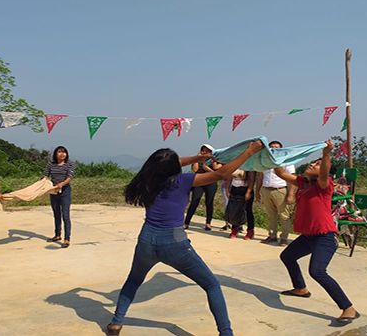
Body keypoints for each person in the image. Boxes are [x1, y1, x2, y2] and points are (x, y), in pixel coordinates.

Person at [106, 140, 264, 336]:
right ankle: (226, 333)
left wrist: (199, 158)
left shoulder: (147, 179)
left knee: (133, 281)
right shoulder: (183, 181)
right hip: (174, 243)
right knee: (211, 284)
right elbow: (222, 174)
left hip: (146, 239)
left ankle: (116, 323)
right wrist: (249, 151)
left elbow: (167, 164)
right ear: (173, 167)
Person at [273, 140, 360, 324]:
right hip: (309, 236)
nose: (312, 164)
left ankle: (348, 308)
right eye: (313, 162)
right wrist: (274, 155)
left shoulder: (324, 184)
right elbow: (279, 172)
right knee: (287, 256)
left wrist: (327, 153)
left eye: (316, 164)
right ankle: (300, 289)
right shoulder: (302, 182)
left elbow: (324, 171)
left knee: (317, 271)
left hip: (325, 237)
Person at [255, 140, 297, 246]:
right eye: (272, 147)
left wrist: (291, 194)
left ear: (281, 149)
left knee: (284, 215)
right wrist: (257, 191)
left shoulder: (286, 160)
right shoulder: (264, 161)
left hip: (280, 190)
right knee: (270, 215)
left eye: (276, 147)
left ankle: (284, 238)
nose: (274, 149)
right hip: (266, 190)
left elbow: (292, 178)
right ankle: (272, 236)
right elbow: (260, 177)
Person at [43, 146, 75, 248]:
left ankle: (67, 239)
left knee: (65, 215)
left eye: (64, 152)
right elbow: (45, 175)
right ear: (55, 154)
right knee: (56, 213)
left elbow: (69, 178)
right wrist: (41, 184)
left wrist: (61, 184)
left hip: (65, 191)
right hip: (53, 191)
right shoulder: (51, 164)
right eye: (59, 152)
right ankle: (57, 235)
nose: (62, 154)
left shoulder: (70, 164)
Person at [184, 144, 222, 231]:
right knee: (194, 201)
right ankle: (186, 222)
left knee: (209, 202)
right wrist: (196, 159)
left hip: (211, 182)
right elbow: (195, 170)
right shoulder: (199, 159)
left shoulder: (214, 160)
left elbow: (217, 172)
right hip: (200, 181)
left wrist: (207, 167)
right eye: (203, 150)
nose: (204, 152)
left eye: (206, 151)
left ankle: (208, 223)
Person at [223, 170, 256, 239]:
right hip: (235, 189)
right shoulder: (235, 164)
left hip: (245, 189)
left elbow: (251, 179)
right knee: (234, 210)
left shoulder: (249, 166)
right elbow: (229, 177)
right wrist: (227, 189)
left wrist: (248, 192)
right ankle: (234, 229)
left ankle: (250, 231)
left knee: (247, 210)